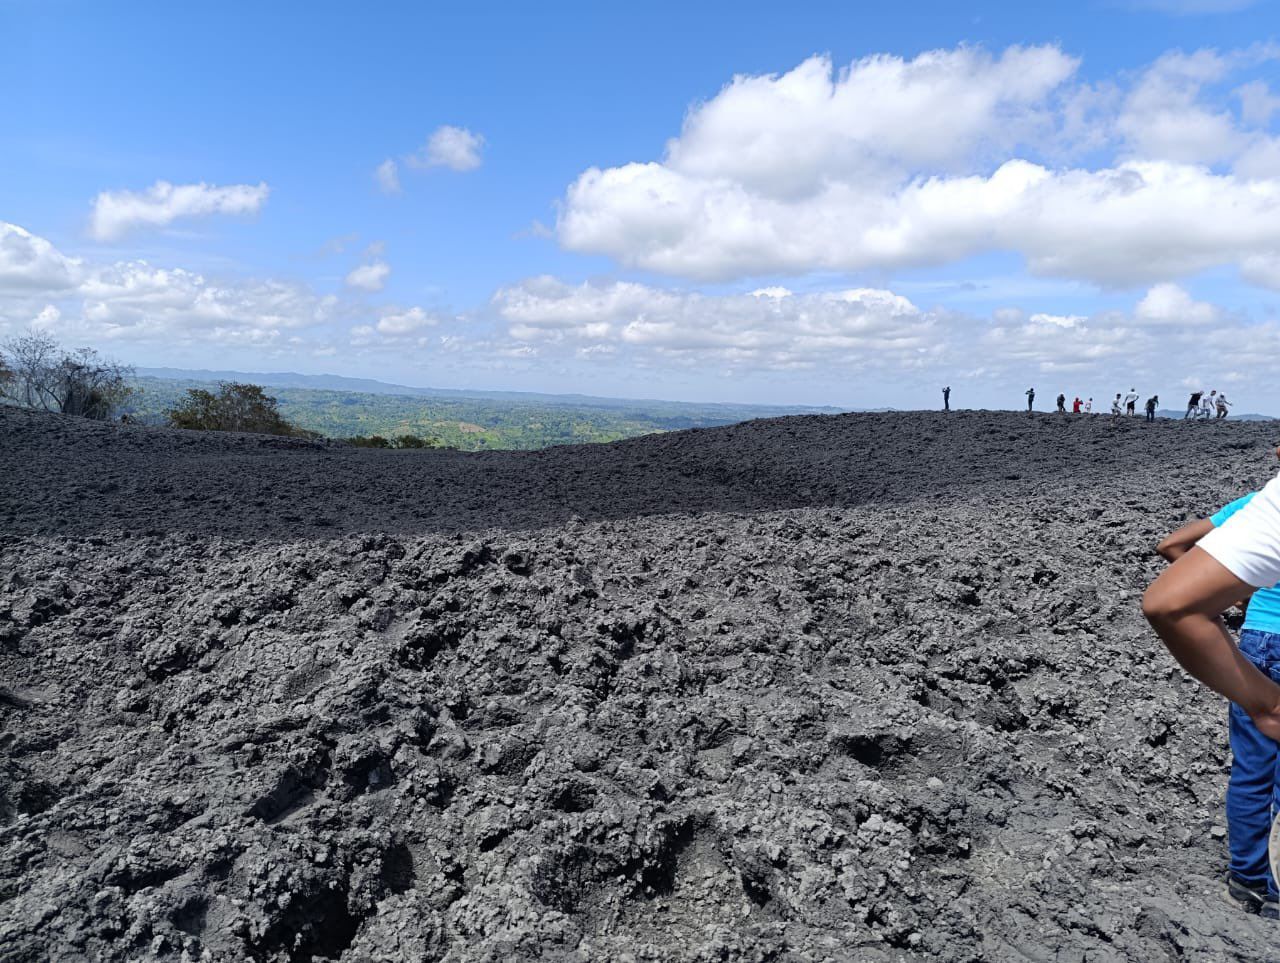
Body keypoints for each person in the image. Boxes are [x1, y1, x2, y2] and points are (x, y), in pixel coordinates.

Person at [1150, 483, 1280, 918]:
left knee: (1252, 770)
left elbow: (1173, 544)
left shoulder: (1259, 504)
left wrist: (1235, 595)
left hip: (1261, 638)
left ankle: (1248, 883)